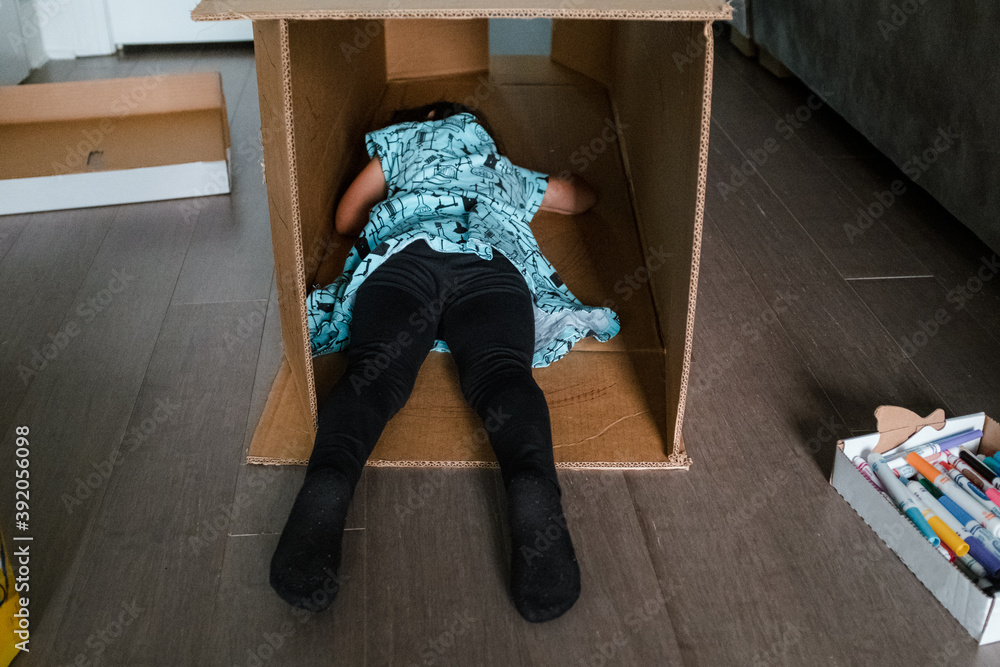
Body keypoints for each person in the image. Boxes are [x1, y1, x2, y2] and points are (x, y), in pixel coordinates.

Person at [269, 102, 620, 623]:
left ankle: (331, 478)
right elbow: (577, 200)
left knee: (374, 374)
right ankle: (530, 481)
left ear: (424, 117)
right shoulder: (501, 169)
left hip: (403, 261)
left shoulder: (399, 145)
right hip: (488, 264)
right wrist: (570, 182)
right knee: (502, 375)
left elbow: (346, 219)